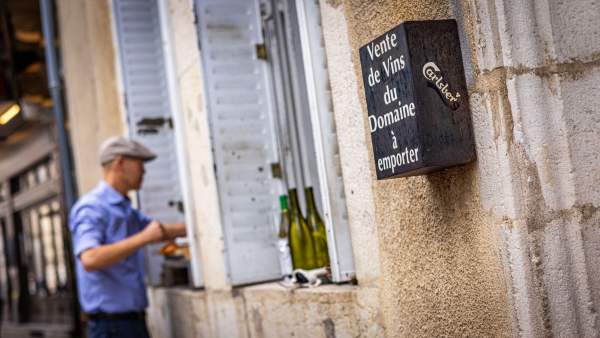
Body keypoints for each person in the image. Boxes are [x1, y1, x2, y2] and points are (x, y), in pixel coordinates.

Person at [69, 136, 186, 338]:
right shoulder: (92, 208)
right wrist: (143, 238)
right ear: (120, 163)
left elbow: (157, 231)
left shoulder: (124, 208)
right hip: (111, 327)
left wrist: (202, 226)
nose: (144, 171)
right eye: (140, 163)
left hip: (131, 323)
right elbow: (90, 258)